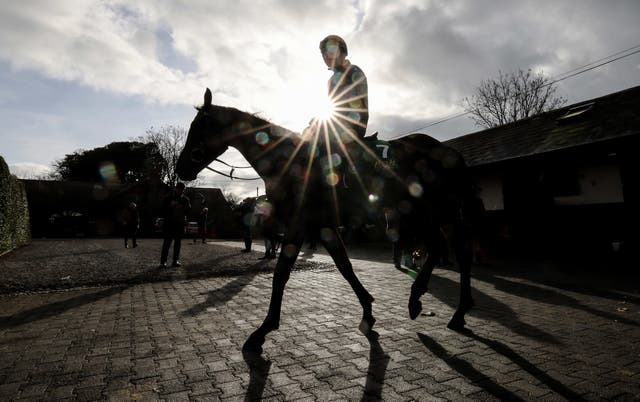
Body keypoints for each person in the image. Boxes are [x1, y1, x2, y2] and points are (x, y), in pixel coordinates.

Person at [319, 34, 369, 146]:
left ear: (343, 52)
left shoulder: (353, 72)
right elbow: (334, 110)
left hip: (349, 132)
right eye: (324, 53)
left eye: (332, 50)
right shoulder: (332, 80)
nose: (327, 56)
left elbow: (358, 110)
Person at [160, 182, 191, 268]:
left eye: (182, 189)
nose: (180, 191)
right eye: (179, 189)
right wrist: (170, 206)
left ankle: (175, 260)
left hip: (179, 224)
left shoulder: (185, 199)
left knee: (178, 243)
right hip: (169, 223)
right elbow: (161, 209)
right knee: (167, 243)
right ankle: (163, 262)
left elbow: (188, 211)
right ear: (175, 188)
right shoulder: (168, 198)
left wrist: (185, 208)